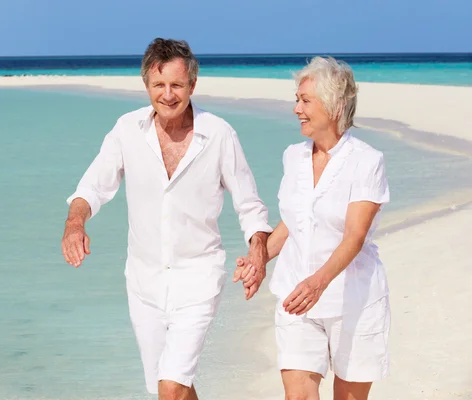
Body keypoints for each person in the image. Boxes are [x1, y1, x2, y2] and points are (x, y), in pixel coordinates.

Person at [61, 38, 272, 400]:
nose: (168, 95)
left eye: (177, 85)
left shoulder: (219, 134)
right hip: (144, 285)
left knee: (170, 389)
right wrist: (75, 224)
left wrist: (258, 253)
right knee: (171, 386)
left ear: (193, 84)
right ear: (146, 85)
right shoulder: (127, 130)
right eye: (159, 85)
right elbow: (92, 187)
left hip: (199, 279)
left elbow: (249, 205)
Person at [237, 56, 391, 400]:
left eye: (305, 100)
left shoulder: (367, 161)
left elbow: (355, 236)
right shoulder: (293, 156)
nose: (296, 109)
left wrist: (318, 283)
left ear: (334, 106)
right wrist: (260, 259)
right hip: (296, 297)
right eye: (297, 99)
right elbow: (294, 222)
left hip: (354, 299)